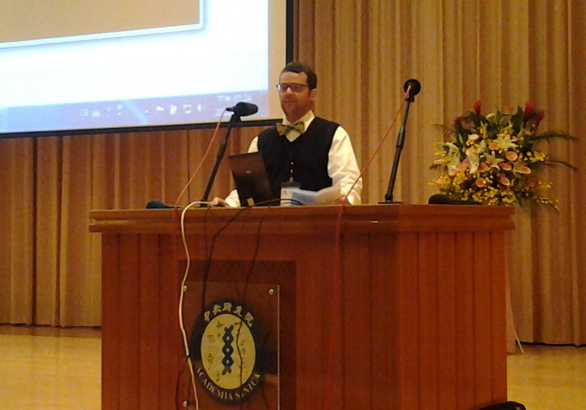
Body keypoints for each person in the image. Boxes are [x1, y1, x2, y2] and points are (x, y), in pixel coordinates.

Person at [212, 61, 362, 207]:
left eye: (296, 88)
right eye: (284, 88)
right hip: (271, 227)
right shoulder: (261, 141)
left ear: (312, 94)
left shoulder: (333, 134)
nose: (288, 93)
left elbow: (347, 181)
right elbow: (247, 189)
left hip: (318, 225)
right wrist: (229, 204)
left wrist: (346, 199)